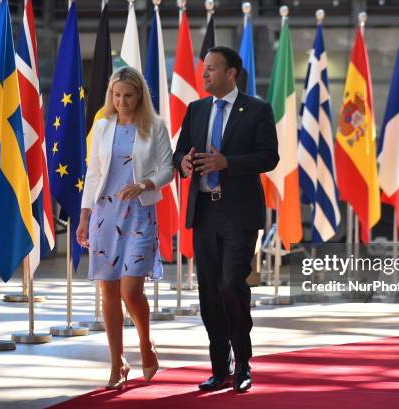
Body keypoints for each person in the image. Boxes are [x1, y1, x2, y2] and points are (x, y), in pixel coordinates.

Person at [174, 46, 279, 393]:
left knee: (230, 285)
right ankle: (220, 367)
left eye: (211, 69)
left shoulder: (258, 109)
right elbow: (179, 153)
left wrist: (227, 163)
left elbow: (269, 157)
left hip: (238, 213)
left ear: (232, 73)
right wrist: (184, 164)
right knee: (208, 292)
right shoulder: (196, 109)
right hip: (204, 212)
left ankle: (243, 364)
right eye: (203, 70)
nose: (204, 75)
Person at [77, 67, 173, 389]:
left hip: (140, 215)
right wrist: (84, 217)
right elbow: (93, 172)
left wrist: (145, 183)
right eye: (116, 96)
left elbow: (168, 169)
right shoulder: (102, 126)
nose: (122, 101)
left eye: (128, 95)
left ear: (140, 95)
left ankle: (145, 343)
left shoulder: (154, 126)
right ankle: (117, 361)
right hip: (105, 215)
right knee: (107, 292)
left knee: (130, 290)